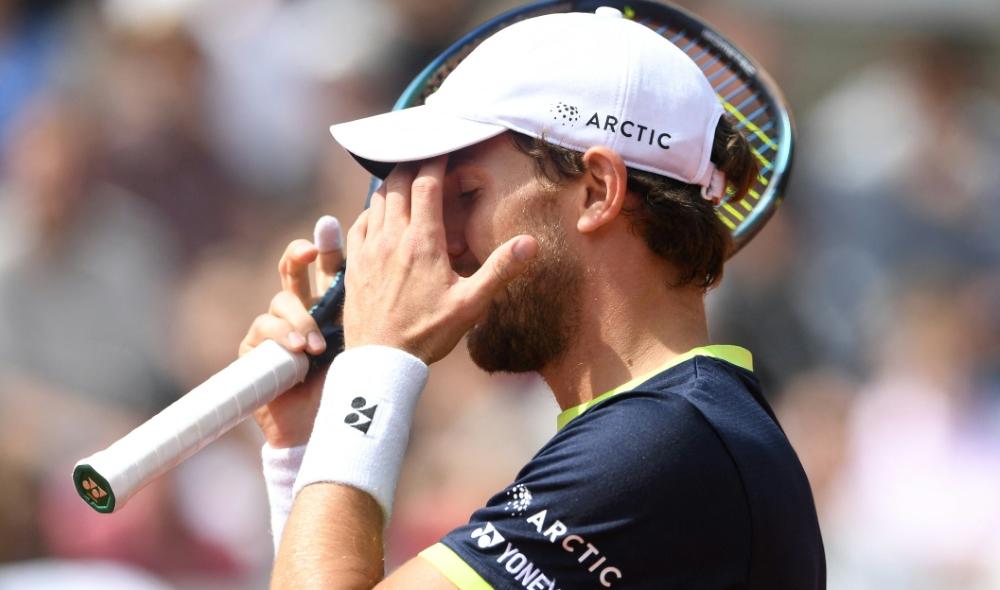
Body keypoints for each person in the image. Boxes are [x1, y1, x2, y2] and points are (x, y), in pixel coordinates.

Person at [239, 7, 826, 589]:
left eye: (466, 193)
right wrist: (313, 447)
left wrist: (373, 366)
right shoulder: (670, 433)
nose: (441, 243)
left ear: (597, 191)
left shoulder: (662, 446)